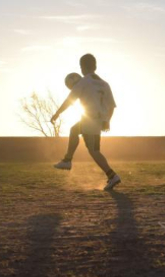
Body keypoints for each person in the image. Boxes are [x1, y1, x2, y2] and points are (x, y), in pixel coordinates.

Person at [51, 54, 121, 191]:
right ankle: (112, 175)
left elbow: (69, 101)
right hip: (99, 120)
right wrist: (107, 121)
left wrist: (57, 113)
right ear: (95, 66)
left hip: (89, 118)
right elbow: (111, 106)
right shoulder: (104, 83)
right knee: (93, 149)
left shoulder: (83, 82)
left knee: (84, 142)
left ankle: (67, 160)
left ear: (82, 67)